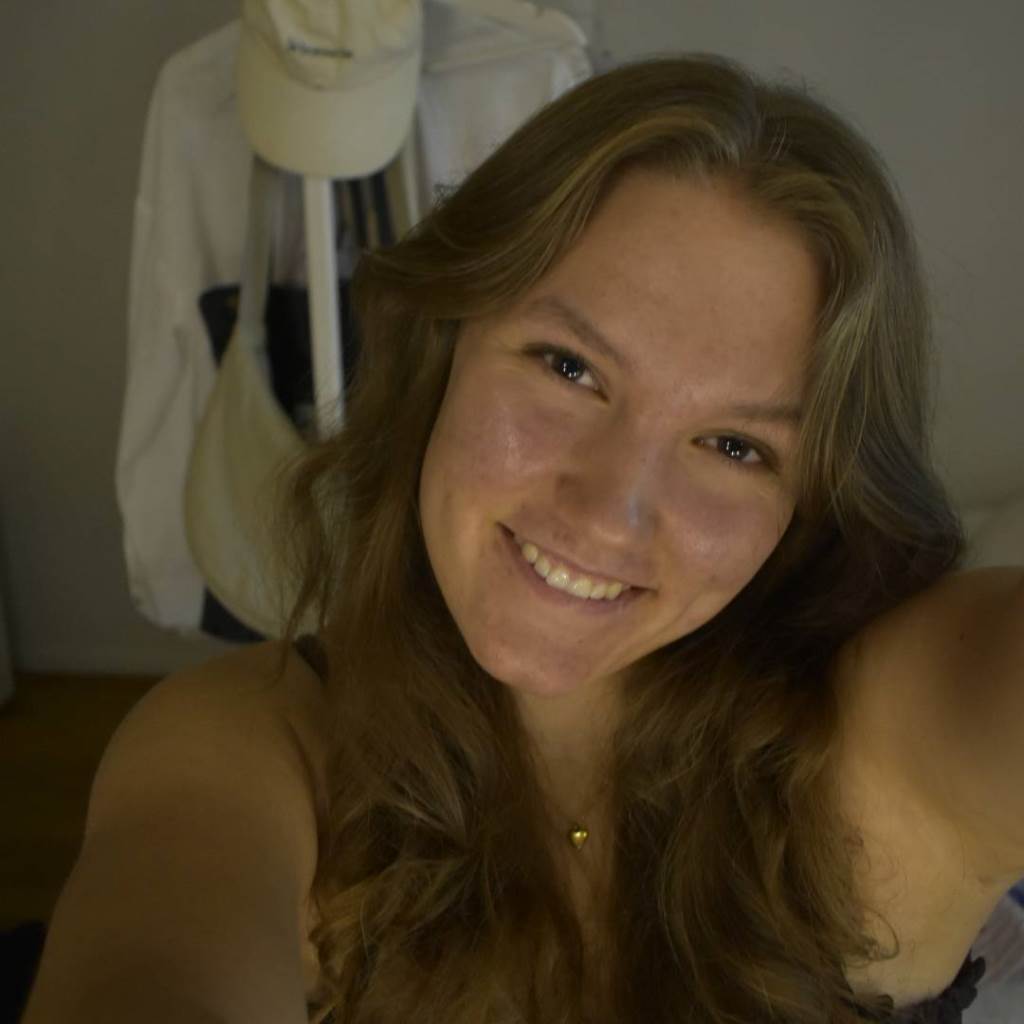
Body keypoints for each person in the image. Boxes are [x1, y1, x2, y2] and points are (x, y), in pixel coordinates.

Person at [23, 53, 1023, 1024]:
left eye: (734, 446)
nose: (608, 511)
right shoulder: (254, 747)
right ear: (444, 340)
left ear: (807, 508)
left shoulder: (882, 741)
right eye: (569, 367)